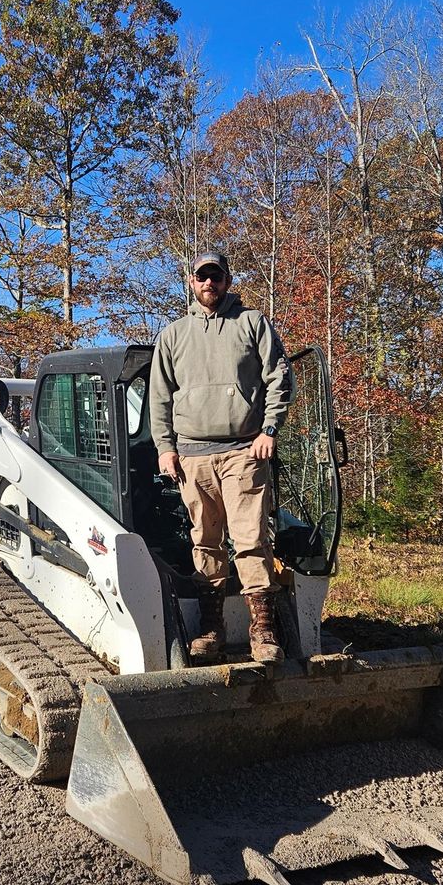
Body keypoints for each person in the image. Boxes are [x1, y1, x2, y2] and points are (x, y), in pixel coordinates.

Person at [148, 250, 294, 664]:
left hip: (243, 452)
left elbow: (279, 378)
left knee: (250, 539)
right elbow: (159, 397)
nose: (209, 283)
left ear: (227, 280)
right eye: (201, 276)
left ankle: (262, 630)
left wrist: (269, 430)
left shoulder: (252, 323)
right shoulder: (173, 335)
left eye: (216, 276)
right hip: (193, 457)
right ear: (191, 282)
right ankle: (212, 628)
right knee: (205, 541)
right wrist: (165, 447)